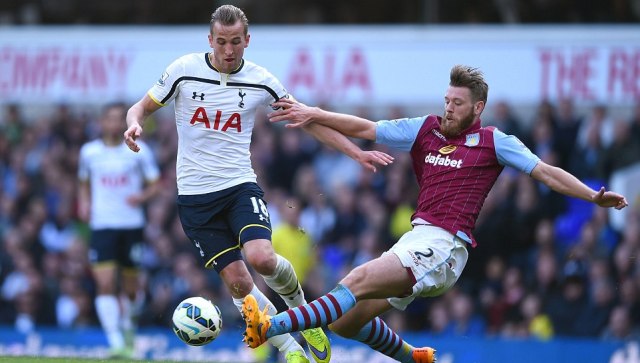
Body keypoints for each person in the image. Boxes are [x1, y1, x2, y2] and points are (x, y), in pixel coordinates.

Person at [241, 65, 629, 363]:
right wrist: (313, 112)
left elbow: (545, 172)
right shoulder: (425, 128)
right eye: (446, 100)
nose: (448, 108)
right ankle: (415, 357)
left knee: (355, 279)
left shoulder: (494, 141)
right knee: (345, 322)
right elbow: (366, 127)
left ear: (477, 107)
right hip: (416, 239)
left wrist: (592, 196)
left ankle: (272, 326)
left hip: (446, 246)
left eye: (457, 103)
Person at [123, 5, 391, 363]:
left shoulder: (261, 80)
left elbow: (309, 120)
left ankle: (304, 316)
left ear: (247, 40)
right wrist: (134, 124)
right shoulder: (183, 71)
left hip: (238, 187)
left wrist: (356, 153)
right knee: (238, 283)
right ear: (210, 40)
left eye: (236, 42)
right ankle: (291, 350)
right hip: (194, 199)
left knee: (262, 258)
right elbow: (139, 108)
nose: (229, 50)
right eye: (221, 42)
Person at [78, 102, 161, 358]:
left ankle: (128, 328)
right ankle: (115, 342)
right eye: (109, 119)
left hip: (131, 225)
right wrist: (84, 203)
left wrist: (141, 197)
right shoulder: (89, 152)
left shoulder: (139, 150)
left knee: (131, 288)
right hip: (102, 225)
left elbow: (155, 184)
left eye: (118, 119)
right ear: (102, 123)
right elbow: (83, 181)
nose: (114, 124)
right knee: (104, 283)